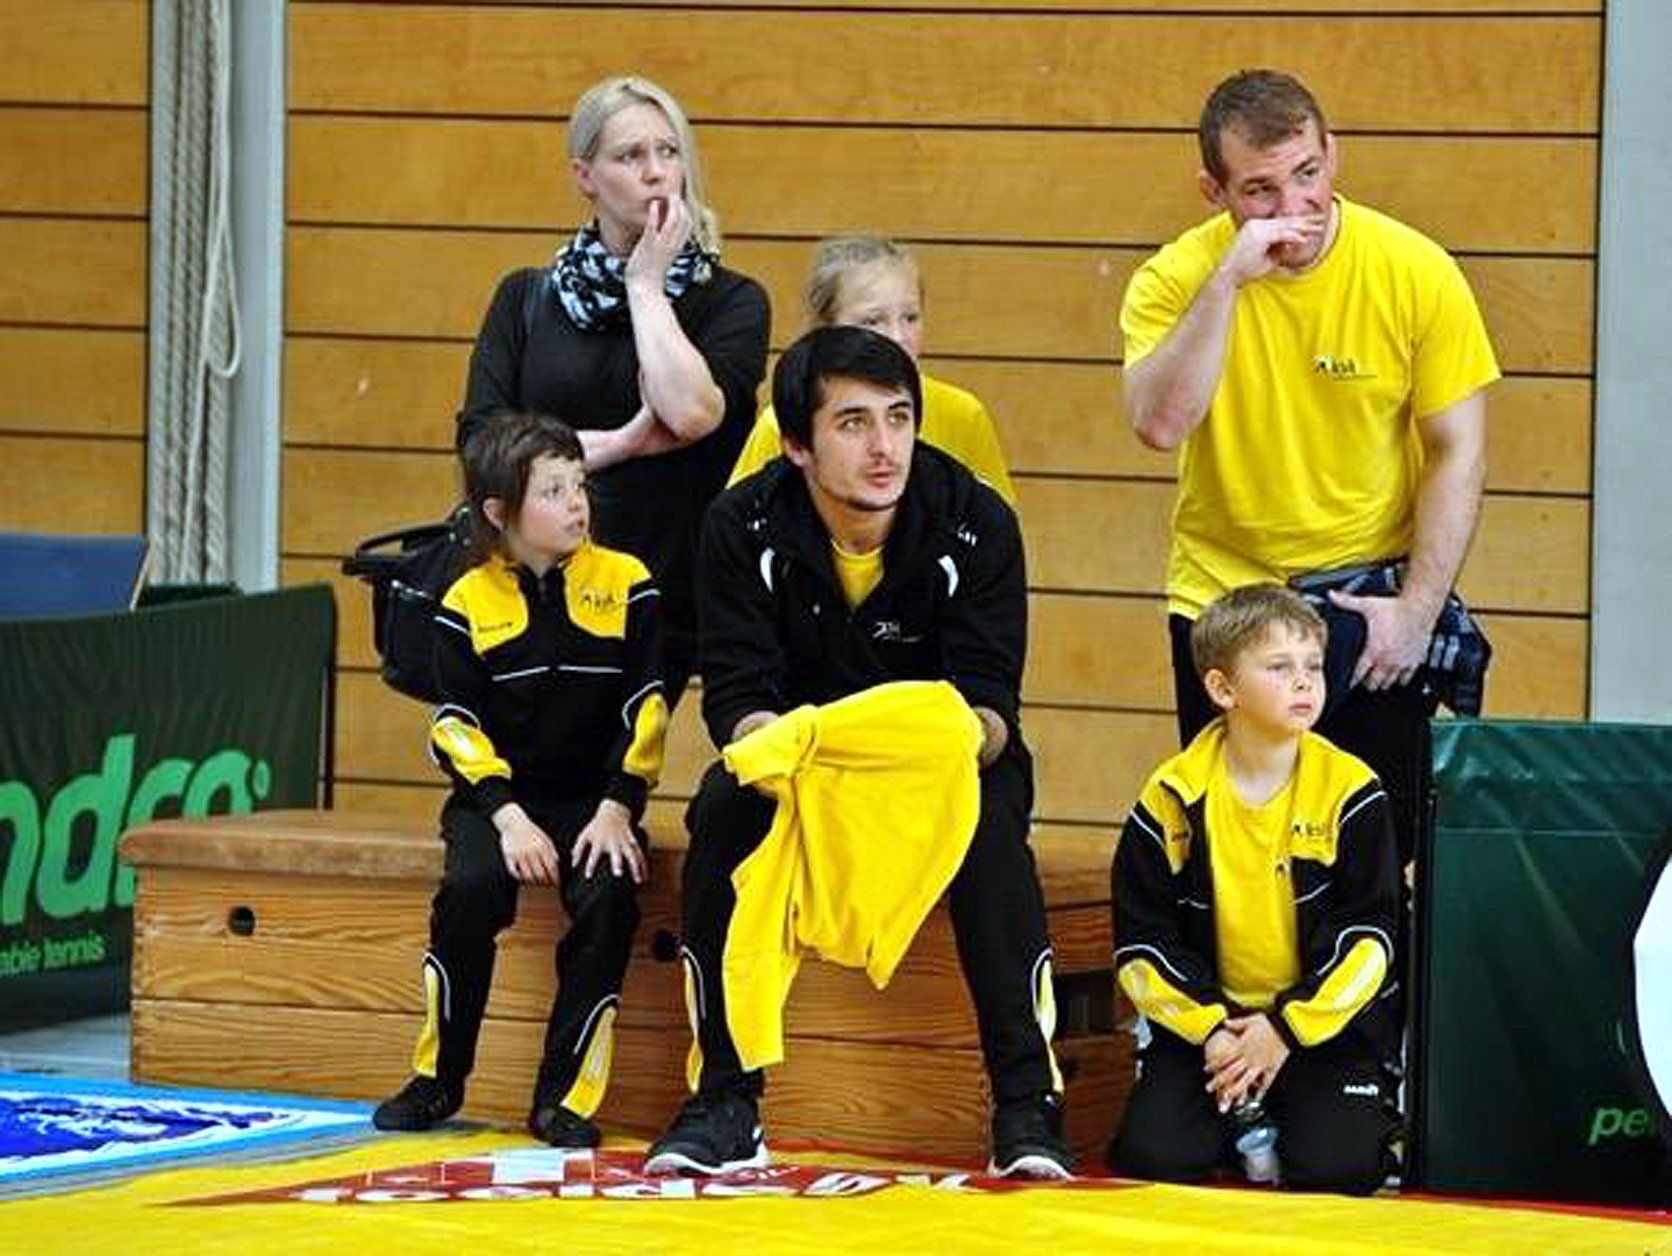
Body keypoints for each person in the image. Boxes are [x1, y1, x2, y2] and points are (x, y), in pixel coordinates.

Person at [642, 326, 1070, 1179]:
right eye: (853, 423)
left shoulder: (979, 520)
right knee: (720, 812)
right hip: (801, 771)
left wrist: (889, 751)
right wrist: (819, 765)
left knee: (992, 837)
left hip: (941, 768)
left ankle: (1028, 1107)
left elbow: (988, 715)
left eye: (899, 417)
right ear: (796, 445)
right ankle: (725, 1101)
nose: (884, 447)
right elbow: (737, 705)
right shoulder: (738, 525)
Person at [1119, 69, 1499, 866]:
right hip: (1224, 594)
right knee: (1232, 852)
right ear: (1213, 192)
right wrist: (1229, 281)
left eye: (1307, 173)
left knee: (1377, 854)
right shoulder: (1177, 279)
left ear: (1334, 154)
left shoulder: (1415, 269)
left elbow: (1458, 449)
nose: (1294, 205)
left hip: (1368, 596)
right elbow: (1159, 424)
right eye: (1260, 190)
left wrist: (1417, 612)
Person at [373, 411, 668, 1149]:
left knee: (608, 899)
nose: (577, 505)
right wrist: (506, 817)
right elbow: (455, 726)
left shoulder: (629, 583)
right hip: (497, 802)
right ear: (499, 511)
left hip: (596, 802)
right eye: (553, 491)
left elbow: (648, 708)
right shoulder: (465, 600)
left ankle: (562, 1100)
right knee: (470, 890)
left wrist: (618, 807)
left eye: (580, 486)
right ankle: (438, 1079)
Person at [459, 75, 770, 700]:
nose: (656, 172)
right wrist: (624, 442)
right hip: (530, 588)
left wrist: (645, 285)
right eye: (630, 156)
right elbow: (483, 446)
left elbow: (690, 414)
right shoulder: (525, 298)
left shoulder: (731, 301)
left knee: (623, 754)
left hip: (664, 590)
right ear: (585, 175)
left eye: (668, 152)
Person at [1108, 585, 1400, 1194]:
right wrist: (1214, 1031)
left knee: (1340, 1168)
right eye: (1279, 667)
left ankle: (1273, 1119)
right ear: (1222, 689)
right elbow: (1141, 949)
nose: (1305, 681)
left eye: (1313, 665)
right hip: (1211, 1036)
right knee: (1152, 1156)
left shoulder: (1353, 790)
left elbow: (1371, 940)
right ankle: (1244, 1121)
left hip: (1317, 1031)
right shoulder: (1169, 796)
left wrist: (1285, 1030)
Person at [728, 236, 1016, 505]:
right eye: (872, 321)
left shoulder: (963, 414)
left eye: (910, 318)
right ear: (826, 329)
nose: (898, 337)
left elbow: (998, 524)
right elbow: (739, 518)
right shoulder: (783, 422)